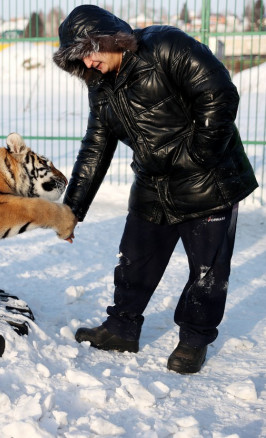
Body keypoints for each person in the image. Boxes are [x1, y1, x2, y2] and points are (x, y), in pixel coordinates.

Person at [53, 5, 258, 374]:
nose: (88, 63)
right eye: (78, 59)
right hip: (152, 182)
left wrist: (195, 156)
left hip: (206, 180)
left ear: (107, 39)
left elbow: (219, 95)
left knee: (207, 271)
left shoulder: (166, 45)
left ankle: (194, 340)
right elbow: (96, 146)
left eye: (89, 51)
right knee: (134, 259)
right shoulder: (100, 87)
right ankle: (121, 329)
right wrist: (71, 210)